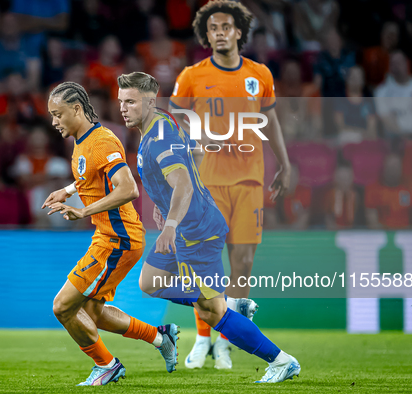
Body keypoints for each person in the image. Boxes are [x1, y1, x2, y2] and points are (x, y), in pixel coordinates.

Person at [118, 71, 300, 383]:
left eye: (131, 102)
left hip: (197, 232)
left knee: (212, 314)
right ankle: (229, 300)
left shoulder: (158, 138)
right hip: (193, 223)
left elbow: (184, 183)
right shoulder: (162, 122)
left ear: (149, 102)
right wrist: (170, 202)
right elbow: (197, 153)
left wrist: (172, 220)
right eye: (121, 101)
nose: (123, 108)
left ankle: (281, 360)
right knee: (150, 282)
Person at [169, 0, 291, 370]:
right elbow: (175, 119)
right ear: (206, 36)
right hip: (207, 183)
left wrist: (284, 163)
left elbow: (270, 120)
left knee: (242, 263)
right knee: (203, 264)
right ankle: (202, 338)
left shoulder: (259, 74)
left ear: (239, 31)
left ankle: (225, 342)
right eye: (213, 29)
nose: (219, 33)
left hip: (249, 181)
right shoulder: (191, 76)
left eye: (226, 27)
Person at [40, 82, 178, 386]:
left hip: (119, 238)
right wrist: (66, 191)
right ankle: (160, 337)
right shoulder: (82, 140)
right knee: (92, 312)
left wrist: (83, 211)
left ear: (76, 109)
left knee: (63, 306)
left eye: (57, 114)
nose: (54, 122)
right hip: (110, 236)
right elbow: (90, 176)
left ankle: (107, 365)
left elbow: (128, 188)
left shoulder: (101, 141)